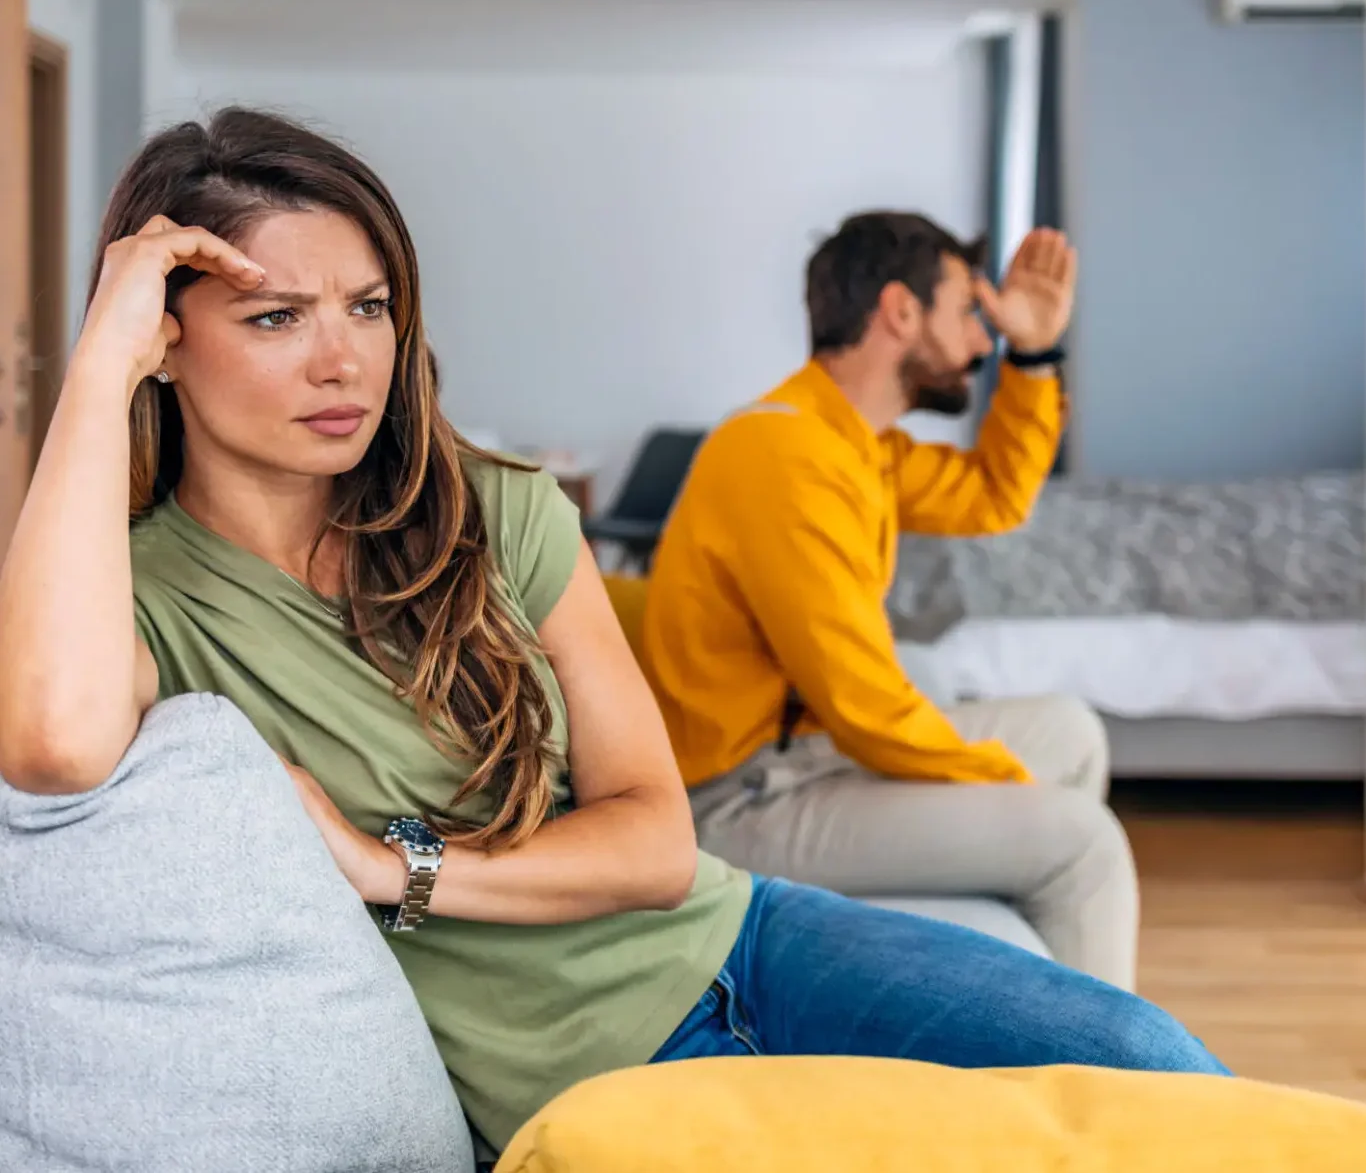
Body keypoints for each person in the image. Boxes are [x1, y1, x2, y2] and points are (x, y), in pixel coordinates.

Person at [0, 113, 1223, 1159]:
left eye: (369, 307)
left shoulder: (498, 507)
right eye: (274, 318)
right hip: (569, 1079)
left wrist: (398, 872)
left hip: (740, 934)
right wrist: (96, 371)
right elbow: (50, 745)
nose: (344, 359)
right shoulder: (141, 592)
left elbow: (652, 839)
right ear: (165, 338)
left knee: (1135, 1056)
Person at [642, 211, 1139, 988]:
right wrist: (1007, 787)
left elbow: (994, 495)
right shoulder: (784, 458)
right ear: (901, 313)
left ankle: (1031, 988)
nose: (983, 341)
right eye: (969, 315)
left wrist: (1036, 354)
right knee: (1085, 844)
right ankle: (1107, 1088)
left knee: (1070, 732)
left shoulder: (851, 444)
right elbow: (864, 703)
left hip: (804, 757)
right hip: (741, 802)